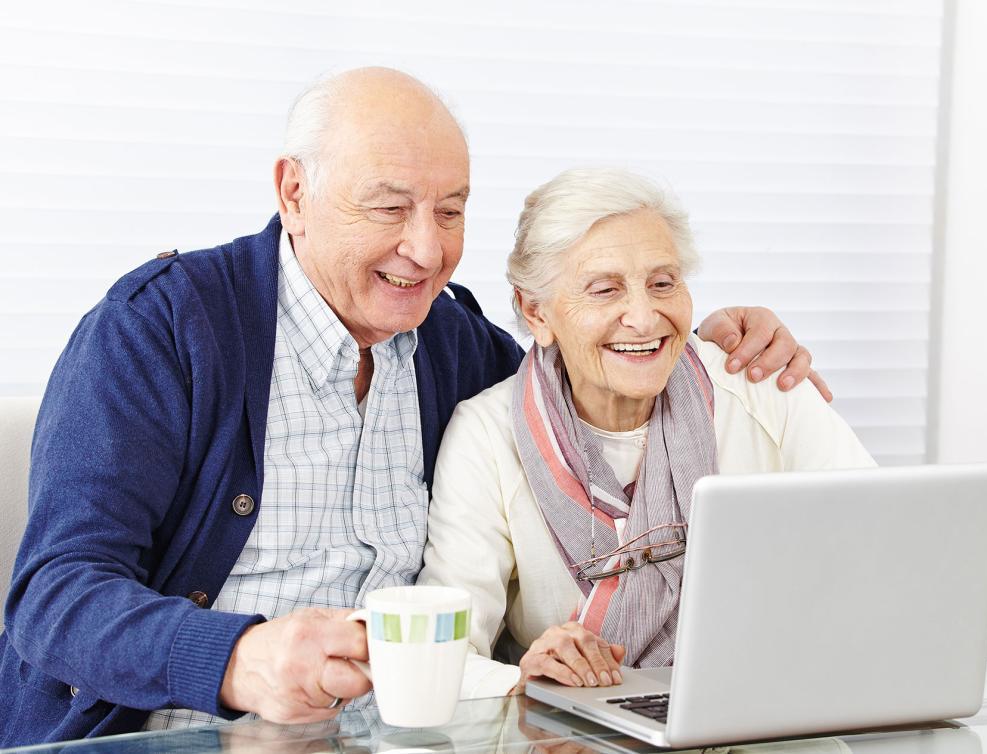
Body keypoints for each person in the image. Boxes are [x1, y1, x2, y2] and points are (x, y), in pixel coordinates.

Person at [0, 68, 826, 746]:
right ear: (293, 193)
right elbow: (52, 595)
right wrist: (236, 657)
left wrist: (694, 345)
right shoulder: (160, 330)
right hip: (172, 732)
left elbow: (573, 381)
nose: (426, 250)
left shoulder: (454, 344)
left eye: (452, 211)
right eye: (390, 208)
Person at [417, 168, 875, 697]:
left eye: (663, 283)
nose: (643, 316)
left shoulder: (762, 387)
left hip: (772, 701)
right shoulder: (486, 436)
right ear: (535, 311)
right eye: (605, 289)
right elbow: (442, 653)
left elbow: (884, 553)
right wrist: (524, 679)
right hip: (572, 730)